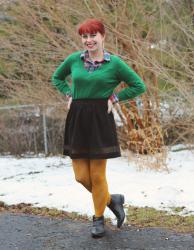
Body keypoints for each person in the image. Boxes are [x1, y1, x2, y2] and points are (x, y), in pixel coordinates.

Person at [51, 18, 146, 238]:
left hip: (100, 120)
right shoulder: (74, 60)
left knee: (97, 175)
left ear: (103, 36)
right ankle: (112, 200)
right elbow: (57, 78)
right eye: (85, 36)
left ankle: (98, 219)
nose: (89, 40)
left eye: (93, 35)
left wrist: (115, 97)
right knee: (81, 176)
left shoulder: (115, 64)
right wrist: (69, 93)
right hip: (77, 118)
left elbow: (138, 85)